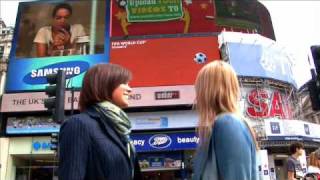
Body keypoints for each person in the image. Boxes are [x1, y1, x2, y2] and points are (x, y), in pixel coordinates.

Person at [58, 64, 142, 180]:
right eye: (124, 83)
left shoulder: (119, 129)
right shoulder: (78, 125)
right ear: (106, 84)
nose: (130, 89)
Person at [193, 61, 258, 180]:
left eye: (199, 87)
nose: (197, 96)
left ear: (208, 90)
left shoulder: (227, 124)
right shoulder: (225, 124)